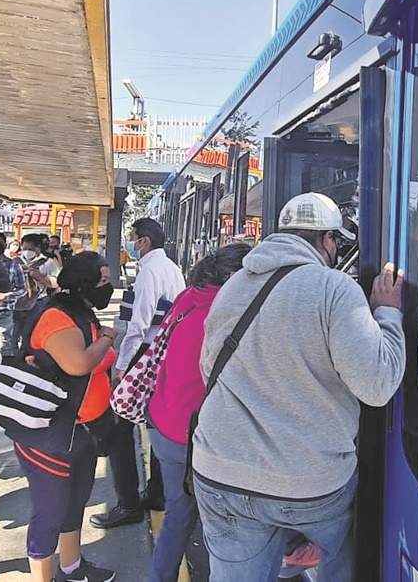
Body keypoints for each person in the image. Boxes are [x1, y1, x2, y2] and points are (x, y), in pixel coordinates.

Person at [192, 192, 405, 582]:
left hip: (220, 472)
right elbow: (377, 385)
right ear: (328, 240)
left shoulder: (234, 285)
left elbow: (210, 369)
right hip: (310, 484)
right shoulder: (334, 288)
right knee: (346, 555)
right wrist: (389, 312)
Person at [7, 252, 118, 582]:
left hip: (81, 430)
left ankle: (71, 567)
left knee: (74, 504)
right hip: (51, 435)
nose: (108, 286)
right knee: (50, 511)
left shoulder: (80, 311)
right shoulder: (57, 317)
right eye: (102, 280)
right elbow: (78, 364)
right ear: (84, 284)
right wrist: (109, 339)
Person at [145, 242, 250, 582]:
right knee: (221, 523)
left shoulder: (190, 297)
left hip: (164, 423)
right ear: (235, 277)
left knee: (179, 512)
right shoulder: (224, 317)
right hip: (191, 437)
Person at [90, 218, 183, 530]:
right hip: (165, 354)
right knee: (156, 425)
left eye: (132, 239)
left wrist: (121, 367)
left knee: (119, 428)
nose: (129, 245)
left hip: (143, 353)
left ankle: (128, 503)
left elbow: (138, 326)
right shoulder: (172, 268)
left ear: (143, 242)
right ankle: (156, 494)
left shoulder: (149, 273)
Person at [0, 233, 28, 357]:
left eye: (0, 244)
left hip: (4, 310)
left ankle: (3, 369)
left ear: (5, 246)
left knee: (2, 343)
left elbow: (22, 289)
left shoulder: (14, 265)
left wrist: (7, 295)